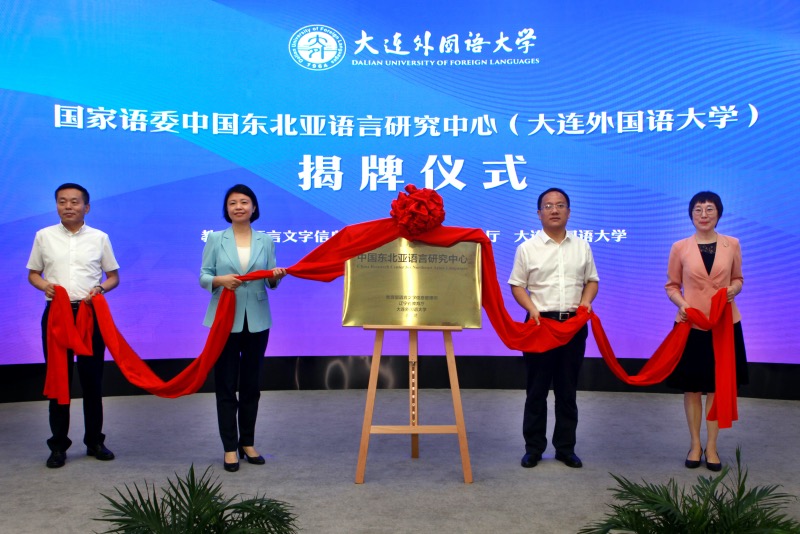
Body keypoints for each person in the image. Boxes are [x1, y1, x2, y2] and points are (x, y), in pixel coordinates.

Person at [27, 183, 120, 468]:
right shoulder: (43, 236)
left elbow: (113, 277)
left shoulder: (99, 237)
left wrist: (100, 289)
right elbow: (33, 273)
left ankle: (95, 441)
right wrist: (44, 285)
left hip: (89, 315)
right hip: (57, 315)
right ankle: (58, 445)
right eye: (62, 201)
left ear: (86, 207)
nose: (68, 206)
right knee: (60, 380)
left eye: (74, 202)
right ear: (56, 205)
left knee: (92, 380)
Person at [508, 187, 599, 469]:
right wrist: (531, 308)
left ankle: (565, 448)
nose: (554, 210)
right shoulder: (527, 248)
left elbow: (592, 280)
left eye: (560, 205)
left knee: (567, 390)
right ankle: (534, 448)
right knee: (536, 390)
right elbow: (517, 285)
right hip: (539, 325)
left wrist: (586, 301)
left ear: (569, 212)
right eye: (548, 206)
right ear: (539, 213)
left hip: (572, 326)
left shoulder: (582, 246)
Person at [200, 184, 286, 472]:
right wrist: (220, 280)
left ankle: (247, 442)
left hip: (257, 319)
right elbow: (204, 276)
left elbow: (270, 282)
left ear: (254, 207)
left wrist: (276, 276)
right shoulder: (216, 238)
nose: (238, 207)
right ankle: (229, 447)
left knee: (251, 385)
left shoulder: (266, 240)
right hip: (225, 318)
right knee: (226, 385)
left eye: (244, 202)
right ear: (226, 209)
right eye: (233, 203)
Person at [665, 191, 747, 472]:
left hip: (724, 325)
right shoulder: (680, 247)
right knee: (692, 387)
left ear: (719, 213)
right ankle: (695, 444)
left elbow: (738, 278)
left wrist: (733, 289)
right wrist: (683, 305)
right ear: (691, 215)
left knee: (716, 386)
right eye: (698, 210)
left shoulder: (732, 244)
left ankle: (711, 446)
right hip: (691, 323)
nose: (703, 214)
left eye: (709, 209)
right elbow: (671, 286)